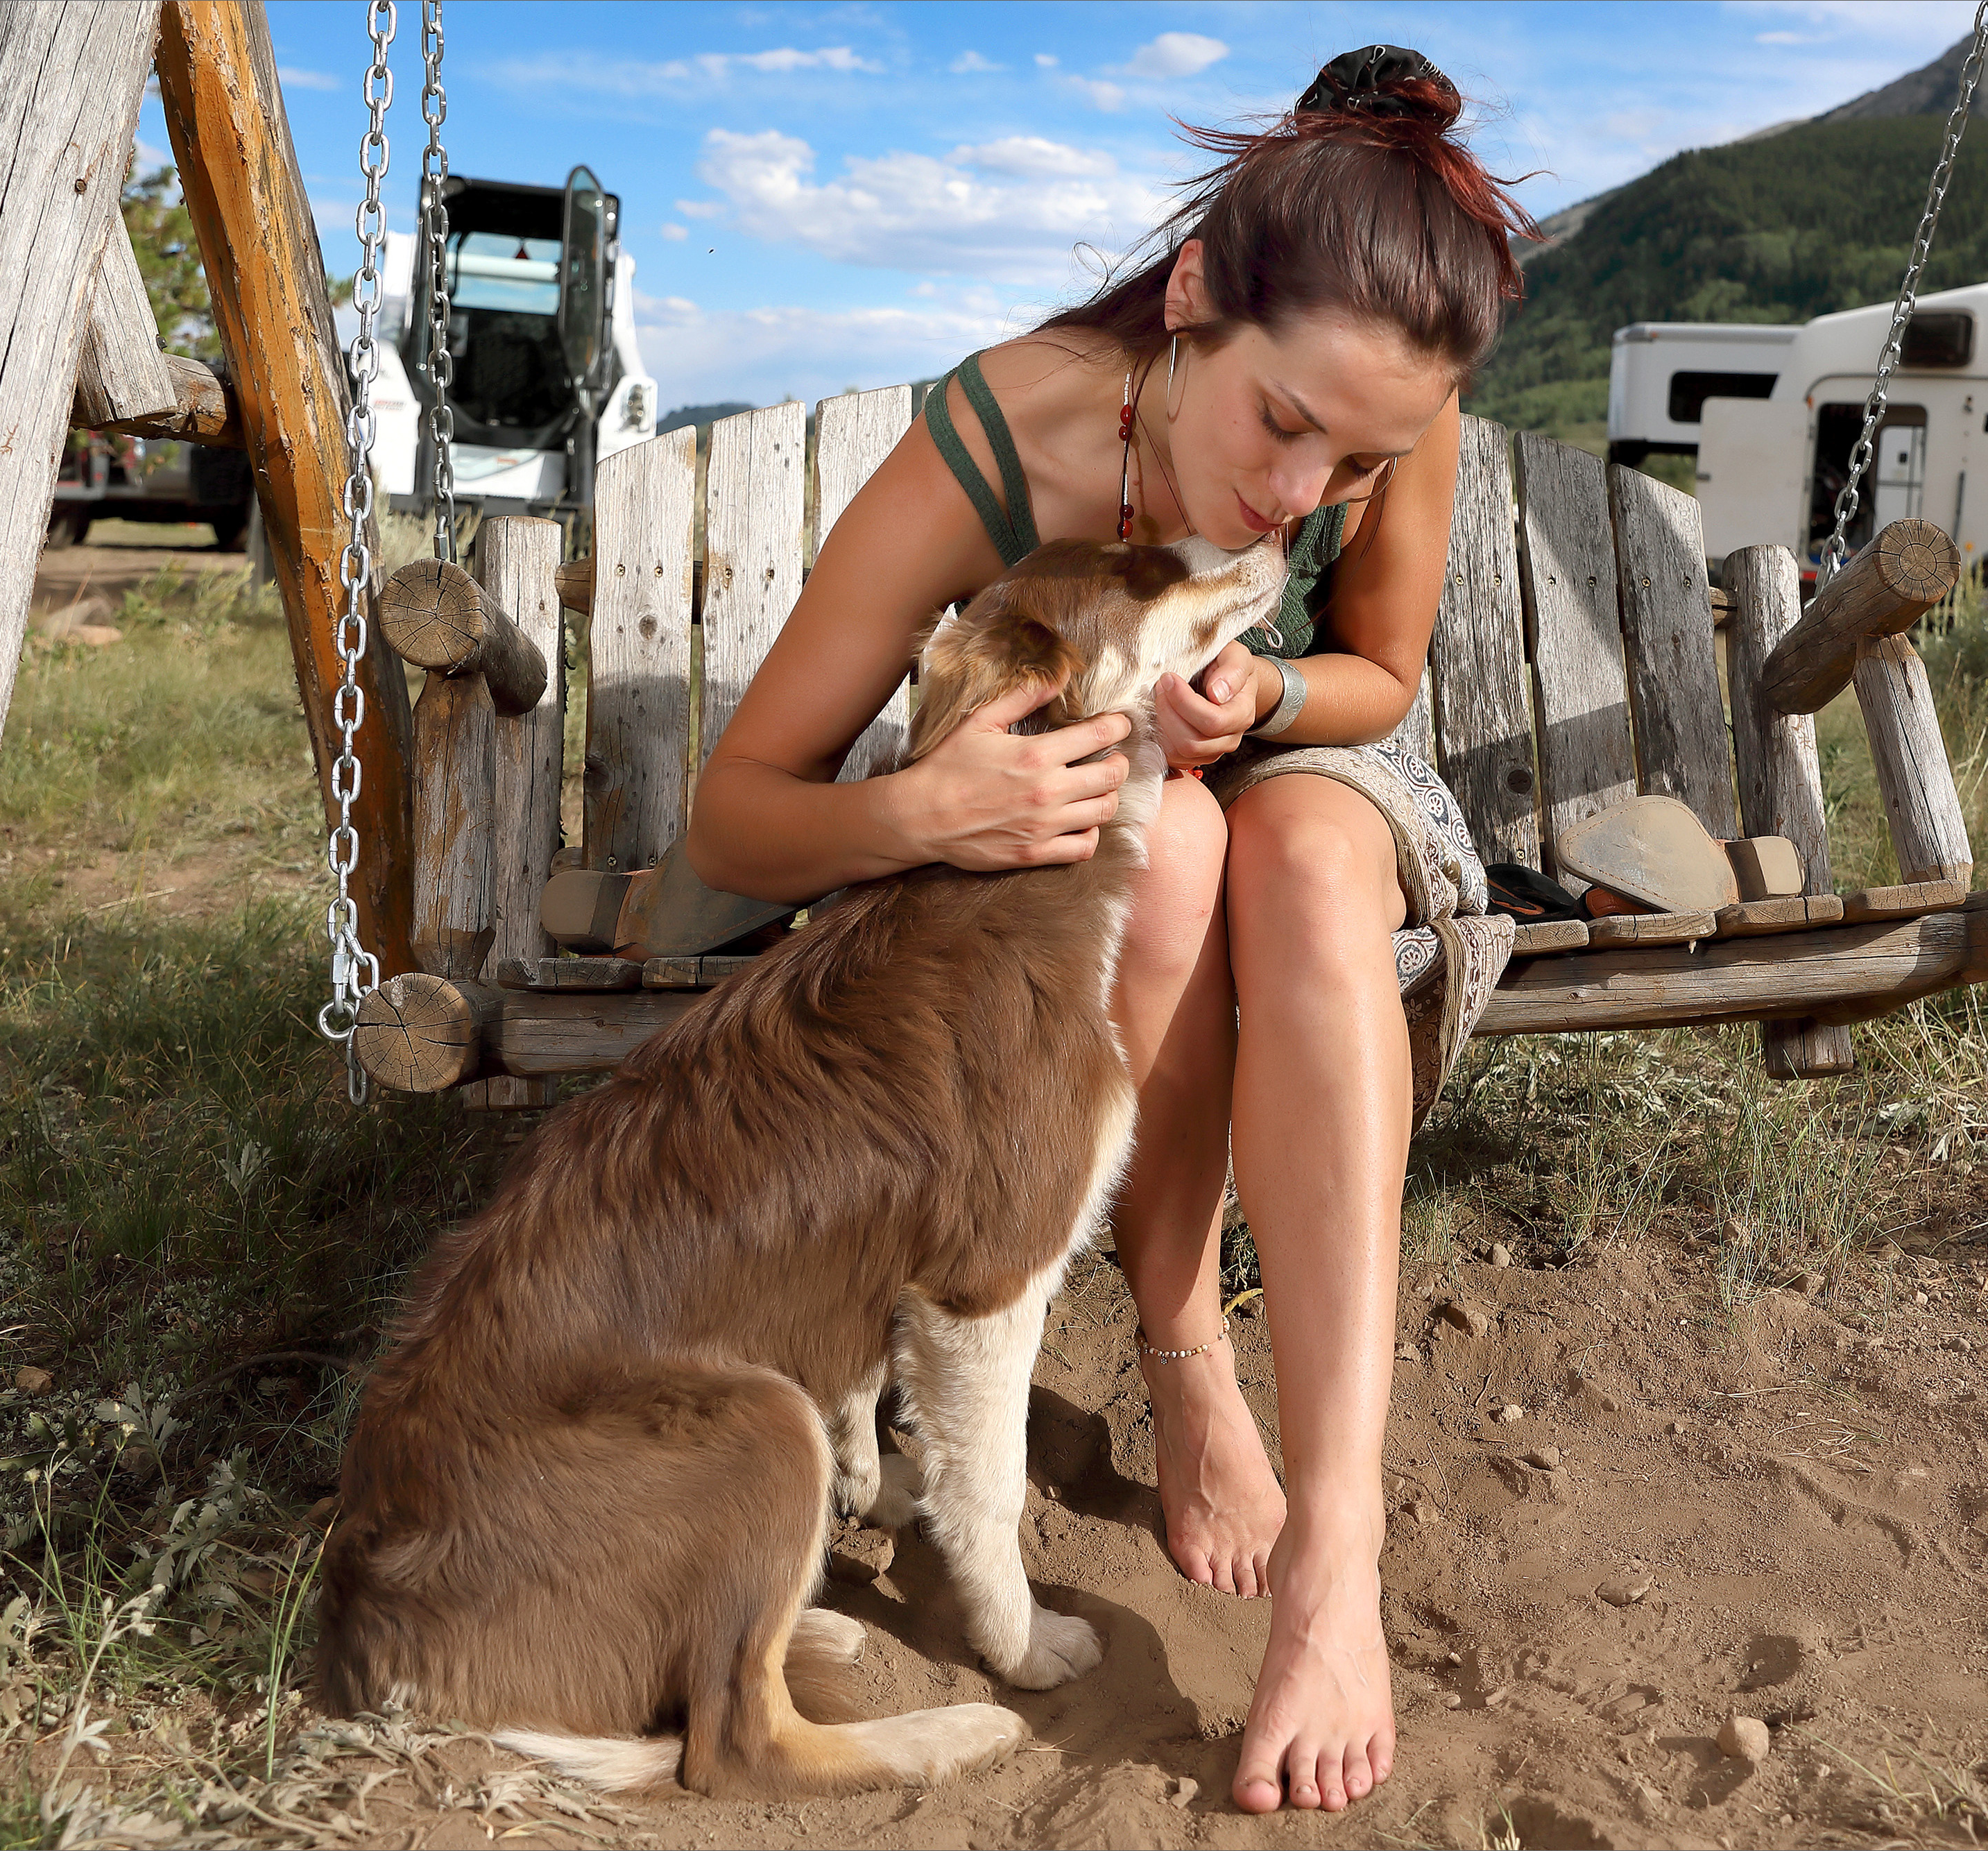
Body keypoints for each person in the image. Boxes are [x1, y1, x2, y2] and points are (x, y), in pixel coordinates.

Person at [685, 45, 1536, 1816]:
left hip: (1313, 768)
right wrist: (916, 812)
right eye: (1278, 423)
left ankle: (1332, 1552)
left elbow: (1382, 675)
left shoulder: (1391, 406)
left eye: (1353, 452)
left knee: (1283, 858)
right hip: (1067, 838)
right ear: (1195, 299)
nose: (1302, 489)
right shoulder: (1003, 431)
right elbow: (737, 809)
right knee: (1164, 858)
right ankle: (1172, 1344)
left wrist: (1270, 682)